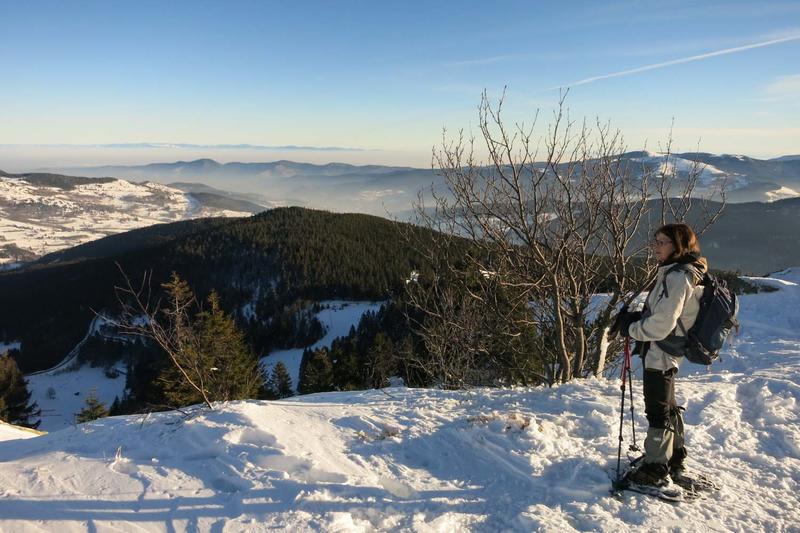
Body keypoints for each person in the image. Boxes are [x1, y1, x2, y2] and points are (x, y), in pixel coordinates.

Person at [613, 223, 708, 489]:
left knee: (658, 410)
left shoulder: (679, 277)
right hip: (665, 348)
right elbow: (661, 313)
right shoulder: (679, 271)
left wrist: (632, 328)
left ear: (679, 245)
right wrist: (639, 318)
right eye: (655, 241)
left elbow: (663, 323)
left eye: (662, 242)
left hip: (661, 349)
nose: (655, 247)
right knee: (667, 404)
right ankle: (674, 456)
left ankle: (655, 469)